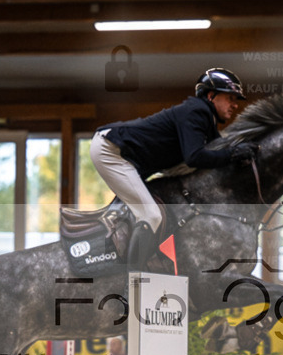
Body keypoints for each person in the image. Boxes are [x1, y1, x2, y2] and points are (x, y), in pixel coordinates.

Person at [89, 67, 257, 269]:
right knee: (151, 215)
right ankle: (130, 283)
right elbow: (194, 157)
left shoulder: (206, 122)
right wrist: (232, 154)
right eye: (230, 98)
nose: (235, 105)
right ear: (211, 96)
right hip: (111, 150)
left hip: (120, 152)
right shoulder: (198, 111)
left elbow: (209, 160)